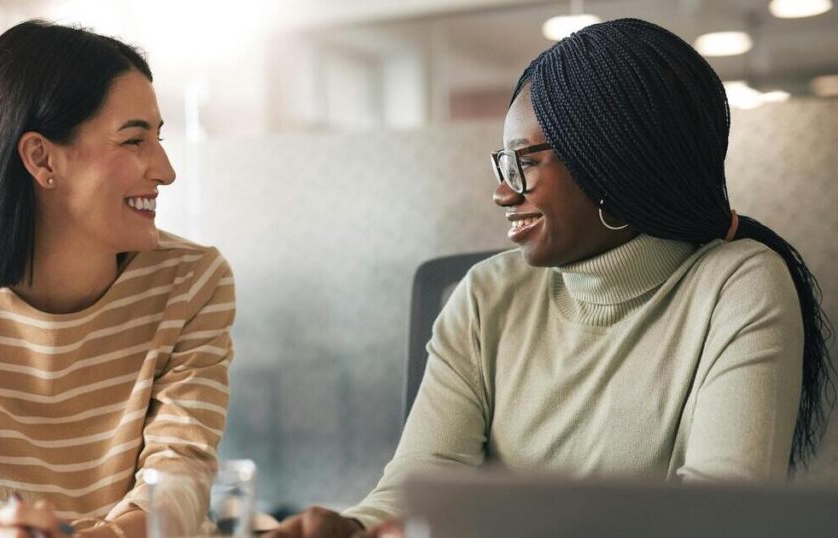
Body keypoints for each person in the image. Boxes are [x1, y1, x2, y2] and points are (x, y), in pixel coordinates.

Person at [270, 18, 834, 538]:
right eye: (503, 163)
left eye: (526, 161)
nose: (502, 191)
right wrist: (356, 529)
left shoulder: (738, 288)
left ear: (614, 159)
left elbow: (719, 520)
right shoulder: (486, 296)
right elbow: (418, 483)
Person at [0, 20, 236, 538]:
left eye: (157, 138)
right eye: (134, 140)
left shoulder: (193, 281)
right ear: (41, 158)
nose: (165, 170)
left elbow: (181, 479)